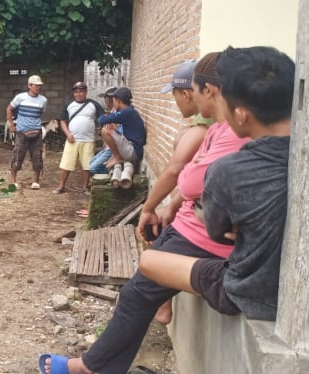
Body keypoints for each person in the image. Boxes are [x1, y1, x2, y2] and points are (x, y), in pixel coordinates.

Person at [40, 51, 251, 374]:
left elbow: (184, 175)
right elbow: (194, 180)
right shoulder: (219, 129)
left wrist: (156, 205)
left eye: (192, 91)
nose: (188, 99)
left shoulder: (230, 133)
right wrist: (174, 204)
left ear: (208, 91)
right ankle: (102, 363)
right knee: (138, 291)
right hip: (186, 228)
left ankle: (87, 367)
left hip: (202, 241)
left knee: (137, 293)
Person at [139, 46, 293, 324]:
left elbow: (217, 230)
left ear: (242, 114)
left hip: (244, 287)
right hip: (282, 288)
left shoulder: (229, 167)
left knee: (148, 262)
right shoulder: (293, 159)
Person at [136, 60, 211, 324]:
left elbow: (173, 170)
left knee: (158, 247)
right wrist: (172, 204)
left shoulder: (201, 130)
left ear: (187, 94)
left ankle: (162, 305)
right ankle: (163, 305)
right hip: (195, 208)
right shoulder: (203, 127)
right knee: (160, 235)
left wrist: (148, 208)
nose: (175, 101)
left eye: (175, 95)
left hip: (205, 223)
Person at [52, 81, 103, 194]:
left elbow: (102, 118)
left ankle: (85, 186)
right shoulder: (69, 105)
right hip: (72, 140)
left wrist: (101, 130)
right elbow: (63, 122)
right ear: (74, 93)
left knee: (87, 165)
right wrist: (68, 134)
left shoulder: (94, 105)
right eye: (76, 92)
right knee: (66, 163)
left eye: (81, 91)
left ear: (86, 92)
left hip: (88, 140)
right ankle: (61, 186)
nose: (78, 94)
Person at [6, 75, 47, 190]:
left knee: (37, 156)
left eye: (39, 85)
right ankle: (14, 180)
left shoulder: (43, 100)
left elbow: (41, 113)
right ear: (29, 86)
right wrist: (11, 124)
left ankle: (35, 181)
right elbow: (9, 108)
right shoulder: (20, 97)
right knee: (18, 155)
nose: (38, 87)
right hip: (21, 132)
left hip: (36, 132)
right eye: (36, 85)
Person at [97, 87, 146, 169]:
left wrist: (105, 117)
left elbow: (101, 120)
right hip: (131, 148)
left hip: (132, 152)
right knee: (109, 128)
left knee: (105, 131)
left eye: (113, 101)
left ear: (118, 101)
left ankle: (117, 157)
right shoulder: (129, 111)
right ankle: (115, 156)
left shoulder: (126, 112)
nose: (113, 103)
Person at [88, 87, 118, 175]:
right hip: (108, 147)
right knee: (90, 163)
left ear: (109, 100)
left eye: (105, 100)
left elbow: (117, 129)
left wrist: (110, 123)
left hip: (112, 149)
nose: (105, 102)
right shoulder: (113, 111)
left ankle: (110, 174)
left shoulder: (118, 112)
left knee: (92, 169)